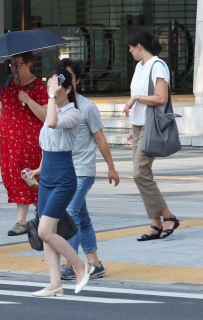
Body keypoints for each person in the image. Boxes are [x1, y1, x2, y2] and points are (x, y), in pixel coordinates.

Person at [31, 69, 93, 297]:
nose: (52, 92)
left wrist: (49, 97)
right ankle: (55, 282)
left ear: (67, 89)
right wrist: (37, 170)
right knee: (47, 232)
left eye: (56, 87)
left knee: (45, 230)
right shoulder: (53, 110)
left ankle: (80, 265)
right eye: (50, 87)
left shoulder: (73, 113)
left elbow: (53, 123)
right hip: (47, 176)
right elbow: (48, 146)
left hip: (64, 178)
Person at [57, 59, 120, 280]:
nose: (64, 82)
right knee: (81, 216)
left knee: (71, 214)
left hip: (83, 171)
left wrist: (111, 167)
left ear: (78, 81)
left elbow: (100, 138)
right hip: (66, 171)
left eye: (69, 78)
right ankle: (95, 263)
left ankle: (70, 262)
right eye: (60, 77)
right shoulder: (57, 108)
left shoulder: (87, 107)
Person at [123, 27, 180, 241]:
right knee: (142, 175)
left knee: (140, 174)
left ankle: (169, 217)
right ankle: (156, 223)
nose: (130, 51)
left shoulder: (158, 66)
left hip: (150, 126)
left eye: (131, 47)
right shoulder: (140, 66)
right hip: (138, 126)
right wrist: (131, 127)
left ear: (139, 46)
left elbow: (161, 98)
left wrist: (137, 98)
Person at [0, 51, 48, 237]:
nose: (13, 69)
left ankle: (27, 219)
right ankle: (40, 214)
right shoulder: (8, 84)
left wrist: (28, 100)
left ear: (28, 64)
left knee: (28, 177)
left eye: (18, 65)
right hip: (9, 144)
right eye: (12, 65)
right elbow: (0, 109)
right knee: (14, 178)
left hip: (29, 144)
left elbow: (45, 115)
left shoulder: (38, 86)